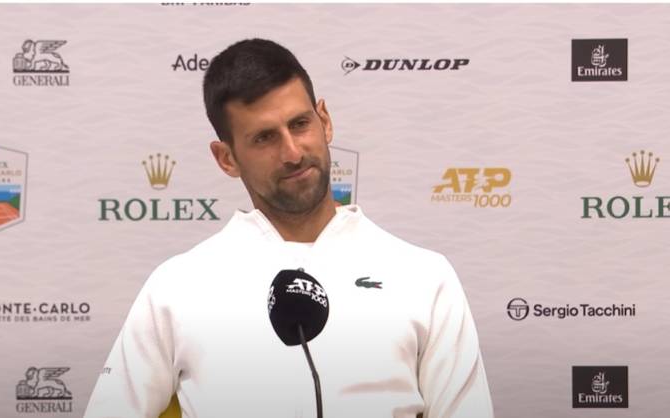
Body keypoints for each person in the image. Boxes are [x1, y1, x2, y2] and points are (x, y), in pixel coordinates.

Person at [83, 38, 494, 418]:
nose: (293, 153)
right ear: (226, 158)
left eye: (299, 124)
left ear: (324, 121)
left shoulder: (424, 275)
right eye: (264, 138)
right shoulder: (177, 285)